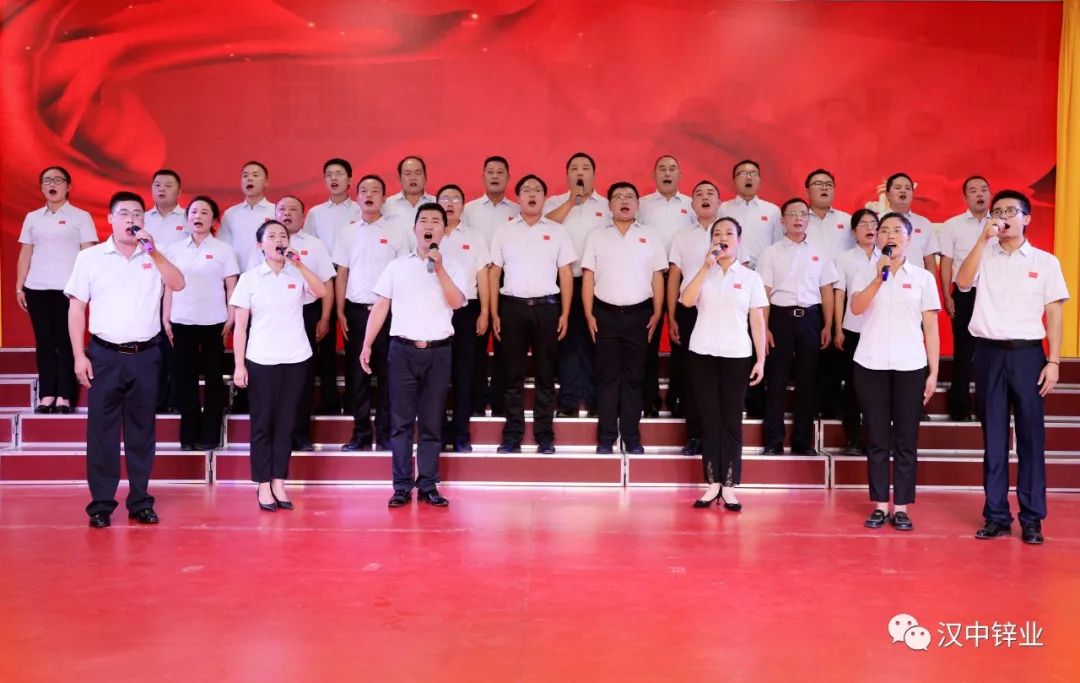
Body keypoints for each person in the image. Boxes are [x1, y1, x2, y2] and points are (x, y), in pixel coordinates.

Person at [65, 191, 186, 528]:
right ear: (110, 219)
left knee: (141, 432)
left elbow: (178, 283)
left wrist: (154, 251)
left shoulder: (155, 254)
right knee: (101, 433)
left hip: (145, 356)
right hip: (104, 355)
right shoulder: (90, 258)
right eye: (124, 214)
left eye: (137, 214)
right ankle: (101, 505)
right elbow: (76, 308)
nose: (132, 220)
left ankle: (140, 501)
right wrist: (79, 356)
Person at [956, 190, 1068, 545]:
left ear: (1026, 218)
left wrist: (1054, 360)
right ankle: (996, 515)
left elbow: (1054, 313)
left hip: (1027, 355)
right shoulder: (983, 255)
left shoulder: (1045, 262)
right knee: (994, 438)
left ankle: (1032, 518)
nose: (1002, 217)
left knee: (1032, 438)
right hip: (988, 354)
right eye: (998, 211)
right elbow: (962, 282)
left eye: (1010, 211)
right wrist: (981, 239)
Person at [360, 203, 468, 507]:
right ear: (415, 228)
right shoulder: (397, 266)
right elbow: (380, 306)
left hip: (438, 352)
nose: (429, 226)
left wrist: (440, 268)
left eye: (436, 221)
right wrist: (367, 344)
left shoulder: (454, 266)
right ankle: (401, 485)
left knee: (432, 422)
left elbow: (456, 302)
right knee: (402, 422)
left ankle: (428, 485)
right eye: (424, 221)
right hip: (402, 352)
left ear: (444, 231)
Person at [849, 212, 941, 531]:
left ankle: (900, 506)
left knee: (905, 439)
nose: (890, 235)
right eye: (884, 230)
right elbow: (856, 308)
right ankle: (879, 505)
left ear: (909, 238)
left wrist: (933, 372)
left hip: (910, 366)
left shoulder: (923, 278)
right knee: (876, 438)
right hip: (870, 363)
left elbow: (931, 328)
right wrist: (878, 278)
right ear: (877, 238)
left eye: (898, 230)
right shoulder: (865, 271)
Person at [231, 220, 328, 512]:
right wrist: (239, 365)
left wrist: (300, 264)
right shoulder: (250, 279)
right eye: (271, 236)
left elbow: (321, 292)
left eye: (282, 236)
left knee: (287, 424)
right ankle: (262, 483)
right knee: (263, 424)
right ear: (260, 245)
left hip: (295, 357)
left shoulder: (296, 274)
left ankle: (279, 481)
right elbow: (240, 328)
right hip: (261, 359)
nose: (278, 240)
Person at [680, 217, 767, 510]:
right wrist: (706, 267)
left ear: (739, 240)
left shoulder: (751, 278)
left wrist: (761, 359)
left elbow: (757, 321)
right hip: (702, 353)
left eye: (729, 233)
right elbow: (686, 301)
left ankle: (729, 484)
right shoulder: (702, 272)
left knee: (731, 421)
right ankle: (712, 483)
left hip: (736, 356)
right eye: (717, 233)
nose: (723, 237)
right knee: (709, 420)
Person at [490, 174, 575, 454]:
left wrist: (565, 312)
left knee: (546, 375)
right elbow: (494, 273)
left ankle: (545, 434)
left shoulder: (557, 231)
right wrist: (494, 312)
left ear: (544, 198)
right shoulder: (505, 231)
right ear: (517, 198)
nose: (532, 194)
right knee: (512, 375)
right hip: (512, 308)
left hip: (547, 309)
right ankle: (512, 434)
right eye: (526, 190)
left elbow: (565, 273)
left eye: (537, 190)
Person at [581, 182, 665, 454]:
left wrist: (657, 313)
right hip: (604, 314)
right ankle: (606, 438)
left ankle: (631, 436)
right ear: (609, 206)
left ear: (638, 204)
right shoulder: (597, 236)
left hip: (640, 314)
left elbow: (657, 277)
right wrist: (589, 314)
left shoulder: (651, 236)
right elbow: (588, 277)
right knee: (606, 377)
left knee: (634, 378)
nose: (624, 201)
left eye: (630, 196)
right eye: (618, 197)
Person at [251, 196, 337, 450]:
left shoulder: (314, 245)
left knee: (303, 378)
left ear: (303, 216)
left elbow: (326, 282)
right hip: (270, 318)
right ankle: (271, 436)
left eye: (293, 210)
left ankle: (300, 434)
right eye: (282, 209)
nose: (287, 213)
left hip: (305, 313)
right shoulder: (263, 245)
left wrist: (324, 317)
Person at [333, 174, 409, 451]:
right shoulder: (347, 232)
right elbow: (342, 273)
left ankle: (386, 433)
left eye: (375, 191)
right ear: (357, 197)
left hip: (389, 312)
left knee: (389, 375)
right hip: (356, 312)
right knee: (357, 376)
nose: (369, 195)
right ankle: (361, 433)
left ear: (384, 198)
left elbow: (404, 273)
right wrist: (340, 310)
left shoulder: (397, 231)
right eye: (364, 190)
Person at [758, 198, 838, 455]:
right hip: (779, 318)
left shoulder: (820, 252)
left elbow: (827, 290)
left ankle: (803, 441)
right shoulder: (771, 253)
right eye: (791, 213)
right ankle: (774, 440)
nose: (798, 218)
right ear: (782, 220)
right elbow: (764, 293)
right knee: (776, 380)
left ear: (808, 219)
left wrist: (827, 325)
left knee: (808, 381)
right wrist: (764, 327)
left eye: (802, 214)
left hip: (811, 319)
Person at [15, 166, 97, 414]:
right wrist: (19, 286)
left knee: (66, 341)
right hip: (37, 288)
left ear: (68, 187)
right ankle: (47, 395)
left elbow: (89, 253)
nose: (52, 184)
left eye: (58, 180)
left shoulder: (80, 217)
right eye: (47, 180)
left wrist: (89, 285)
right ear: (41, 187)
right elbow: (26, 252)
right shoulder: (33, 217)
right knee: (44, 342)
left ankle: (65, 396)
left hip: (68, 290)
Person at [162, 196, 239, 450]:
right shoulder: (174, 249)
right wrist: (165, 316)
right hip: (181, 321)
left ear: (214, 220)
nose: (198, 216)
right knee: (185, 379)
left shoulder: (224, 250)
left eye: (205, 212)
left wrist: (231, 316)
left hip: (214, 322)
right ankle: (189, 435)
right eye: (194, 212)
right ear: (187, 218)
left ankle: (210, 434)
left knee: (214, 379)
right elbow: (169, 286)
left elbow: (231, 286)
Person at [544, 152, 610, 416]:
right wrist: (572, 202)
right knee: (568, 341)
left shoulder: (607, 205)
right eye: (574, 168)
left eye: (585, 168)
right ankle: (569, 401)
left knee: (596, 341)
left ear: (594, 174)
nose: (580, 173)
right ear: (567, 175)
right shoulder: (555, 202)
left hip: (598, 282)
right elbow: (544, 227)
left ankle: (595, 401)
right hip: (564, 281)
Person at [460, 155, 518, 417]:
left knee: (506, 345)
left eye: (500, 172)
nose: (495, 176)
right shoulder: (469, 210)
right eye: (490, 172)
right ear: (483, 176)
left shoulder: (516, 211)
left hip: (509, 281)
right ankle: (476, 401)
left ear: (508, 177)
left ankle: (500, 403)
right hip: (476, 282)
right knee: (476, 346)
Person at [666, 180, 721, 454]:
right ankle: (695, 435)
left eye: (710, 193)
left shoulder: (730, 234)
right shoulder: (681, 236)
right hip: (689, 310)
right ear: (692, 204)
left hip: (721, 310)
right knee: (692, 374)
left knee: (718, 374)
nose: (705, 198)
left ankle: (716, 435)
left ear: (720, 202)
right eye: (699, 194)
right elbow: (674, 277)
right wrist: (672, 316)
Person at [637, 155, 694, 416]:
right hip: (650, 277)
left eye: (672, 169)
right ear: (654, 175)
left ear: (680, 174)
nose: (667, 173)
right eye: (662, 169)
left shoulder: (692, 205)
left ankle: (677, 396)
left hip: (685, 279)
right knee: (647, 340)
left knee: (682, 340)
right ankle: (648, 399)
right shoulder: (642, 205)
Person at [437, 184, 491, 453]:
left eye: (456, 199)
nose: (450, 203)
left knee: (464, 373)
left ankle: (460, 432)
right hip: (434, 312)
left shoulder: (475, 237)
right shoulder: (428, 235)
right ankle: (437, 432)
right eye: (445, 199)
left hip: (467, 311)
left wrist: (485, 312)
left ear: (463, 206)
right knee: (436, 375)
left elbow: (483, 277)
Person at [940, 176, 991, 422]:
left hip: (993, 295)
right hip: (964, 293)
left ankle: (987, 406)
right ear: (965, 197)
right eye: (973, 190)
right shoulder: (952, 225)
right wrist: (946, 295)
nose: (979, 194)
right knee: (963, 351)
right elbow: (946, 262)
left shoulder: (1000, 224)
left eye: (984, 189)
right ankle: (960, 407)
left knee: (990, 352)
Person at [805, 169, 853, 419]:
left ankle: (834, 406)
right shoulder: (800, 219)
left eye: (828, 184)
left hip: (842, 293)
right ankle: (812, 405)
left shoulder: (847, 221)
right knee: (813, 353)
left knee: (839, 351)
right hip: (810, 294)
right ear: (807, 190)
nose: (824, 188)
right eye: (818, 184)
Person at [831, 209, 880, 453]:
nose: (870, 228)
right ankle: (852, 437)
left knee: (878, 388)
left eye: (874, 224)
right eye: (864, 224)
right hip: (853, 329)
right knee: (853, 385)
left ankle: (876, 439)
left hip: (879, 330)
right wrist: (838, 328)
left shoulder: (887, 258)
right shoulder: (844, 258)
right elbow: (840, 294)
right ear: (853, 231)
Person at [719, 160, 782, 270]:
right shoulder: (723, 209)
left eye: (753, 173)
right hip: (731, 270)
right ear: (734, 181)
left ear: (759, 180)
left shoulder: (773, 210)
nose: (749, 177)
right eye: (743, 174)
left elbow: (778, 244)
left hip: (763, 271)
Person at [883, 172, 941, 275]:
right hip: (884, 281)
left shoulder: (924, 223)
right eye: (898, 187)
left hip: (916, 283)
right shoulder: (876, 222)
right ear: (887, 195)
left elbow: (930, 263)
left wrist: (929, 284)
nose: (903, 191)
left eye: (908, 188)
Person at [383, 156, 435, 249]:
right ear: (399, 178)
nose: (413, 178)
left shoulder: (437, 204)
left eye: (418, 173)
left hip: (430, 256)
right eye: (408, 174)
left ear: (425, 177)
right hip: (396, 256)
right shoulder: (387, 205)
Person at [144, 169, 188, 247]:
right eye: (157, 185)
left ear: (179, 192)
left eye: (168, 186)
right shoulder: (142, 218)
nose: (161, 189)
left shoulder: (189, 218)